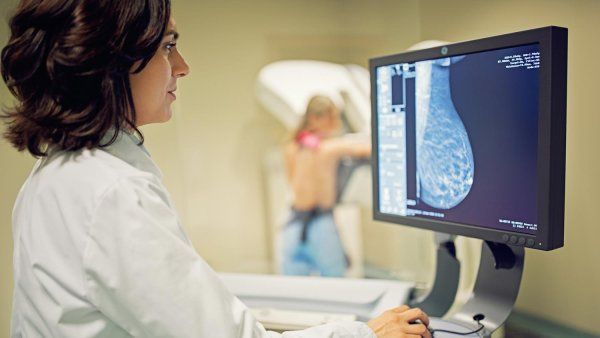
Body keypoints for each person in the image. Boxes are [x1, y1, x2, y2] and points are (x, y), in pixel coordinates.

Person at [1, 0, 431, 337]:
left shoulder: (52, 177)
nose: (183, 67)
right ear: (110, 59)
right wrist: (365, 334)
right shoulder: (109, 192)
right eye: (168, 47)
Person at [281, 95, 370, 277]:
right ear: (315, 119)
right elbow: (370, 149)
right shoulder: (330, 149)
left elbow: (292, 182)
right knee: (335, 281)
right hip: (320, 225)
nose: (336, 122)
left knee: (294, 288)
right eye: (333, 117)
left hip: (292, 225)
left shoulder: (291, 148)